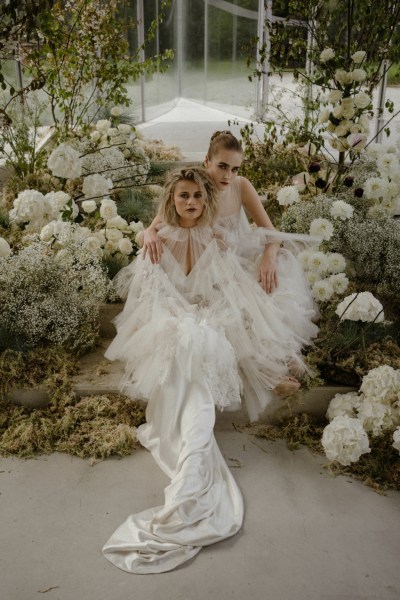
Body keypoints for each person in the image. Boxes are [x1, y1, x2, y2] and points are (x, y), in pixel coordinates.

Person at [102, 167, 318, 574]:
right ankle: (191, 472)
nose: (191, 203)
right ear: (172, 199)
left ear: (207, 202)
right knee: (184, 346)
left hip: (206, 325)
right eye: (184, 196)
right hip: (168, 326)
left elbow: (228, 294)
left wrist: (202, 323)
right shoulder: (156, 241)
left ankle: (190, 477)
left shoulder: (216, 240)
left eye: (198, 197)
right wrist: (182, 324)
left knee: (201, 346)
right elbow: (150, 299)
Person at [142, 130, 281, 294]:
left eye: (235, 169)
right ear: (207, 161)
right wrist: (149, 232)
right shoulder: (191, 187)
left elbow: (271, 231)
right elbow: (158, 223)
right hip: (205, 272)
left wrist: (269, 257)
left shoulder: (240, 185)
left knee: (273, 285)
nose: (228, 176)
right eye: (222, 167)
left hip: (237, 261)